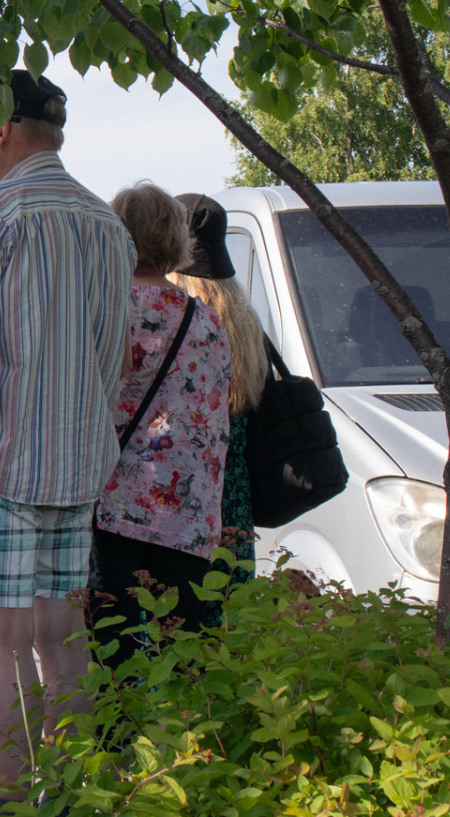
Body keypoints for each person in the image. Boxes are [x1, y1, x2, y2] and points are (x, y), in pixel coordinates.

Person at [0, 71, 134, 791]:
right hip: (78, 458)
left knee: (1, 645)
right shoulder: (107, 222)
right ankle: (73, 794)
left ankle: (15, 801)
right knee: (65, 638)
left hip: (0, 458)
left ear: (3, 129)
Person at [90, 184, 233, 665]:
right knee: (189, 657)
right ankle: (193, 739)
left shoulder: (108, 311)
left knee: (115, 657)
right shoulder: (208, 320)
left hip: (116, 511)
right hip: (189, 518)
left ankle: (118, 743)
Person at [169, 192, 263, 621]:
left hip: (187, 500)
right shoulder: (243, 319)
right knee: (233, 626)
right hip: (238, 500)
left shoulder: (181, 318)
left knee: (183, 633)